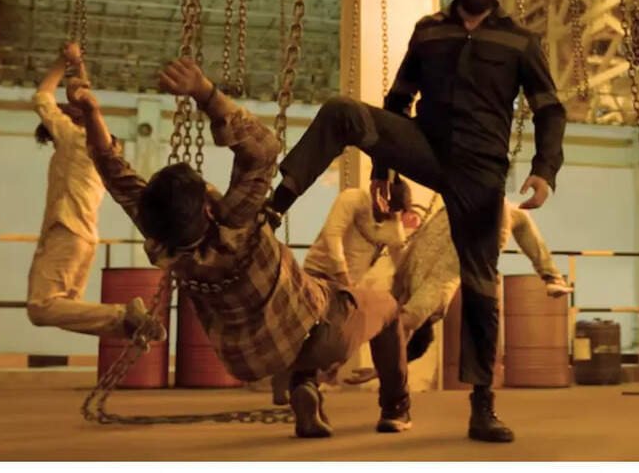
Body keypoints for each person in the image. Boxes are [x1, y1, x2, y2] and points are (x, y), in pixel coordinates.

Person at [267, 0, 567, 443]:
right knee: (343, 111)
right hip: (426, 145)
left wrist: (545, 169)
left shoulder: (519, 40)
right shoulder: (429, 32)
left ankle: (482, 406)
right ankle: (276, 204)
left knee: (479, 284)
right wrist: (382, 169)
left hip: (480, 167)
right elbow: (398, 99)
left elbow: (550, 110)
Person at [68, 57, 411, 438]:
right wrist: (205, 92)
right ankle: (396, 408)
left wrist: (92, 116)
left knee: (310, 306)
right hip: (314, 331)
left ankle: (304, 386)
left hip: (247, 360)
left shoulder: (162, 241)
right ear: (208, 207)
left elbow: (114, 172)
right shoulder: (238, 221)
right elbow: (263, 148)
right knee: (385, 308)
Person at [345, 198, 574, 385]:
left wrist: (377, 369)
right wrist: (378, 368)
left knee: (518, 215)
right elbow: (403, 325)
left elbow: (400, 329)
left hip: (465, 211)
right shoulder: (427, 299)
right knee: (517, 215)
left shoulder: (407, 290)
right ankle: (551, 276)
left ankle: (551, 276)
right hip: (475, 223)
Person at [26, 42, 164, 342]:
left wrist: (63, 61)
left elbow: (42, 97)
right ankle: (129, 326)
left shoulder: (72, 136)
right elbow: (85, 98)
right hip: (86, 238)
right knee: (68, 307)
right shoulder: (102, 150)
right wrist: (78, 65)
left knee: (41, 307)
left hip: (66, 230)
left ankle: (123, 316)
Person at [268, 182, 417, 406]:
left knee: (335, 338)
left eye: (394, 210)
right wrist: (342, 274)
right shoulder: (352, 199)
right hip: (319, 274)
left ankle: (306, 385)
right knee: (305, 330)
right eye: (387, 205)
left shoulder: (393, 227)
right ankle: (291, 379)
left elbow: (400, 262)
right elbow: (333, 234)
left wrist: (410, 290)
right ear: (376, 191)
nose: (388, 212)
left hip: (348, 287)